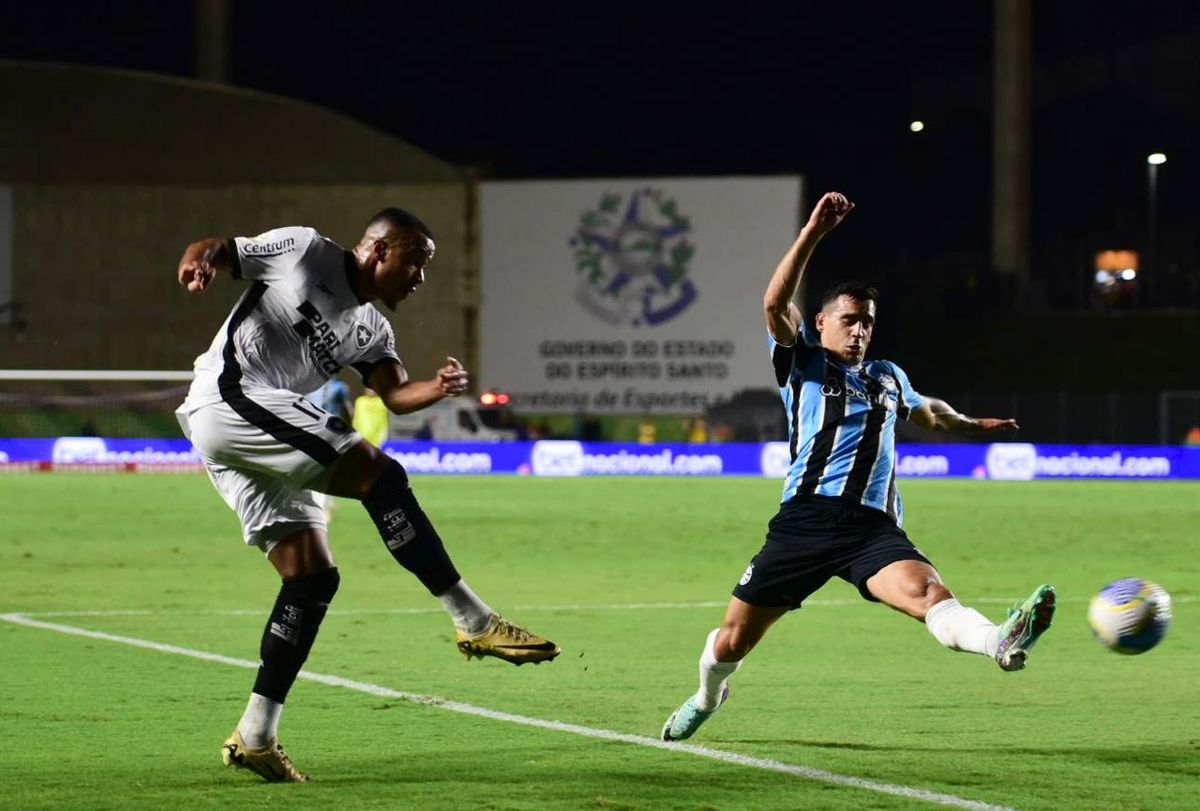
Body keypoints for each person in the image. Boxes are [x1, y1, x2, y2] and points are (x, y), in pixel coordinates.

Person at [175, 207, 559, 783]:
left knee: (310, 578)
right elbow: (218, 247)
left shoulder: (372, 328)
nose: (420, 278)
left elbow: (396, 395)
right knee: (382, 477)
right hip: (230, 397)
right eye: (415, 262)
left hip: (251, 429)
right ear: (379, 250)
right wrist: (197, 261)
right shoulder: (304, 250)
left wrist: (439, 387)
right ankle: (473, 618)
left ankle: (255, 736)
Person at [661, 192, 1055, 742]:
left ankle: (1001, 642)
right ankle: (708, 696)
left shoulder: (888, 376)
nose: (859, 331)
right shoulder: (803, 363)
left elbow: (931, 414)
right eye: (848, 320)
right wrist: (814, 233)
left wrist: (969, 424)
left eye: (867, 322)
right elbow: (773, 305)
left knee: (932, 597)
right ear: (821, 322)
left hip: (871, 529)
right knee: (730, 642)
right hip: (804, 522)